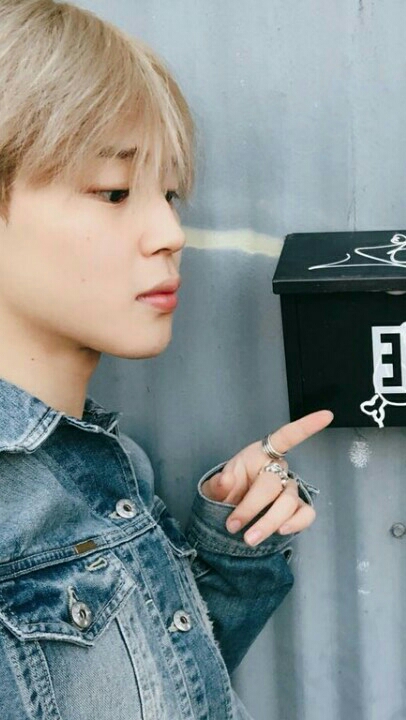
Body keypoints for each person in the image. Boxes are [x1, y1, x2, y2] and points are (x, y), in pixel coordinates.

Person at [0, 2, 333, 718]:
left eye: (170, 194)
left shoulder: (104, 464)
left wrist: (233, 546)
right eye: (114, 191)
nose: (170, 232)